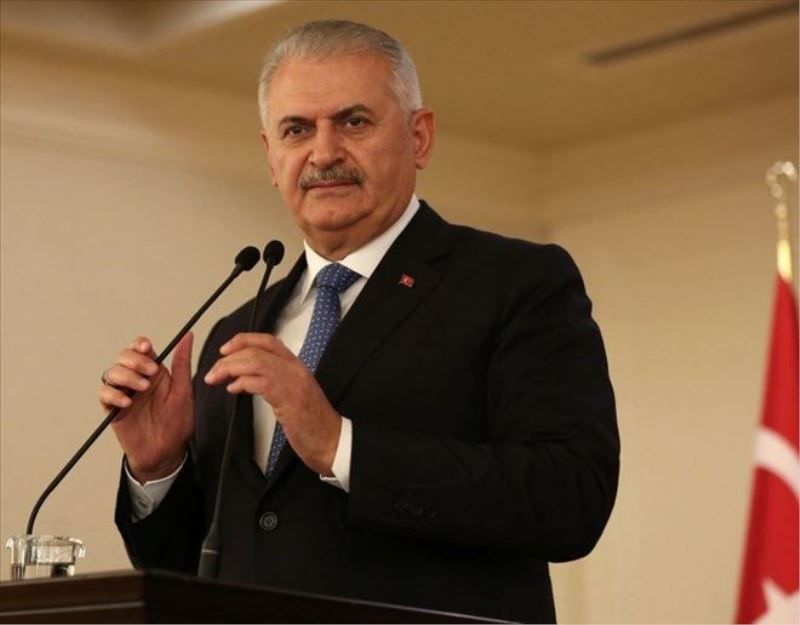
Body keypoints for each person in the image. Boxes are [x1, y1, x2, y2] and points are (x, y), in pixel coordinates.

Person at [100, 20, 619, 623]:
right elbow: (201, 568)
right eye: (297, 129)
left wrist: (341, 445)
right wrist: (159, 469)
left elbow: (569, 499)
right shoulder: (238, 330)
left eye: (353, 122)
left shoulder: (514, 283)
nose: (323, 154)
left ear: (419, 137)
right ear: (271, 156)